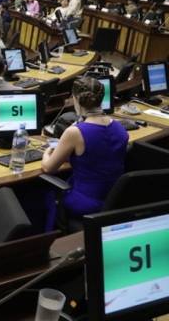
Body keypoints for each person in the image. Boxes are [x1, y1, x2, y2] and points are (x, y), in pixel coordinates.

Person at [39, 77, 128, 230]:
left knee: (42, 194)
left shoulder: (75, 132)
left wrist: (47, 152)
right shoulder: (120, 128)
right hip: (113, 199)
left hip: (85, 202)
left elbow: (49, 168)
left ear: (75, 99)